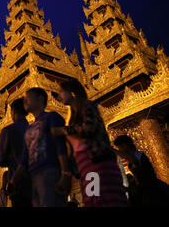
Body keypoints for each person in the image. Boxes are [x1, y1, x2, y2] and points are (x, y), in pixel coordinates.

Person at [51, 79, 128, 207]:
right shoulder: (71, 117)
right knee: (93, 199)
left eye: (61, 91)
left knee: (106, 198)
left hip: (98, 162)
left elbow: (89, 128)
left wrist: (63, 130)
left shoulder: (88, 106)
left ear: (72, 92)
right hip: (84, 165)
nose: (59, 96)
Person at [11, 87, 71, 207]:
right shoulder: (29, 128)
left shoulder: (52, 117)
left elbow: (60, 146)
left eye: (28, 97)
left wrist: (65, 173)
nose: (25, 101)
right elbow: (25, 158)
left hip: (50, 170)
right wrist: (13, 180)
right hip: (33, 175)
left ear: (40, 99)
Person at [113, 135, 169, 206]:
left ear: (125, 145)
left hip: (151, 189)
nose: (120, 150)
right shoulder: (132, 159)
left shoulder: (139, 155)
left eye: (120, 147)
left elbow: (134, 160)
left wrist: (114, 150)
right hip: (143, 189)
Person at [0, 98, 31, 207]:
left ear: (13, 112)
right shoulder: (34, 129)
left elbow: (2, 160)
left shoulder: (8, 130)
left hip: (17, 181)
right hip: (36, 182)